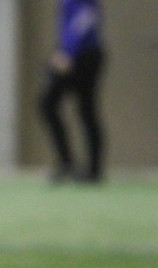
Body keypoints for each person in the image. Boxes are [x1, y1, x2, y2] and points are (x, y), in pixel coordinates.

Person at [39, 0, 106, 183]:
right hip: (74, 53)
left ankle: (92, 170)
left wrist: (68, 52)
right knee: (50, 105)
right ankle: (67, 163)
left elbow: (84, 19)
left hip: (83, 56)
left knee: (84, 110)